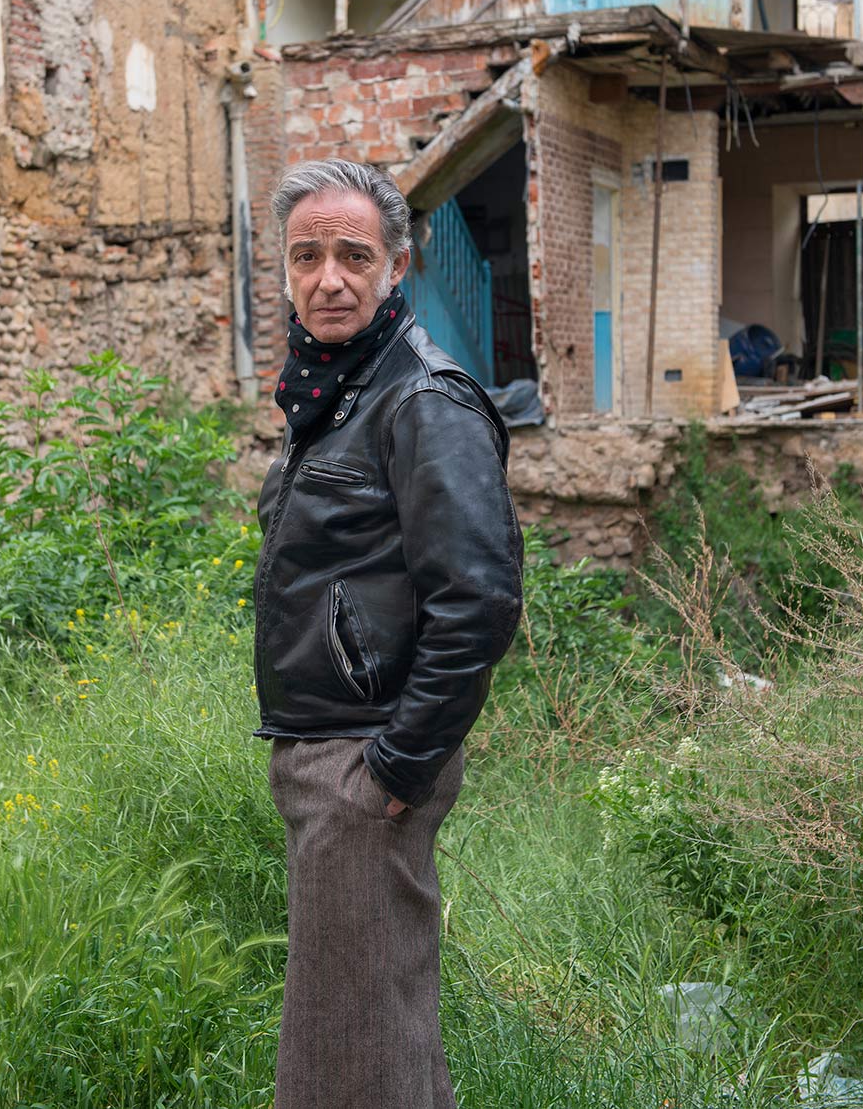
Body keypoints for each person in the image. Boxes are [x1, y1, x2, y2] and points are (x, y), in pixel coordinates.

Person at [254, 158, 525, 1109]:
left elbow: (478, 600)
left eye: (354, 255)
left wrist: (397, 767)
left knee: (359, 1051)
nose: (329, 278)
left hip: (365, 762)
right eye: (307, 256)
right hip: (331, 754)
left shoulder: (421, 399)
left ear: (397, 265)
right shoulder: (335, 389)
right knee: (356, 1035)